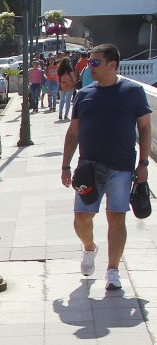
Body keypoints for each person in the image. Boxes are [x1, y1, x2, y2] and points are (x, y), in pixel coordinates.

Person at [61, 43, 152, 290]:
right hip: (88, 167)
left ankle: (112, 270)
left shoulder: (133, 92)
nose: (89, 67)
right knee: (81, 218)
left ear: (112, 65)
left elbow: (144, 128)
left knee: (116, 218)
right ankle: (89, 248)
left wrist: (143, 164)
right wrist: (65, 165)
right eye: (89, 62)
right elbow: (73, 132)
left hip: (121, 168)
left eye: (94, 63)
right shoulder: (84, 94)